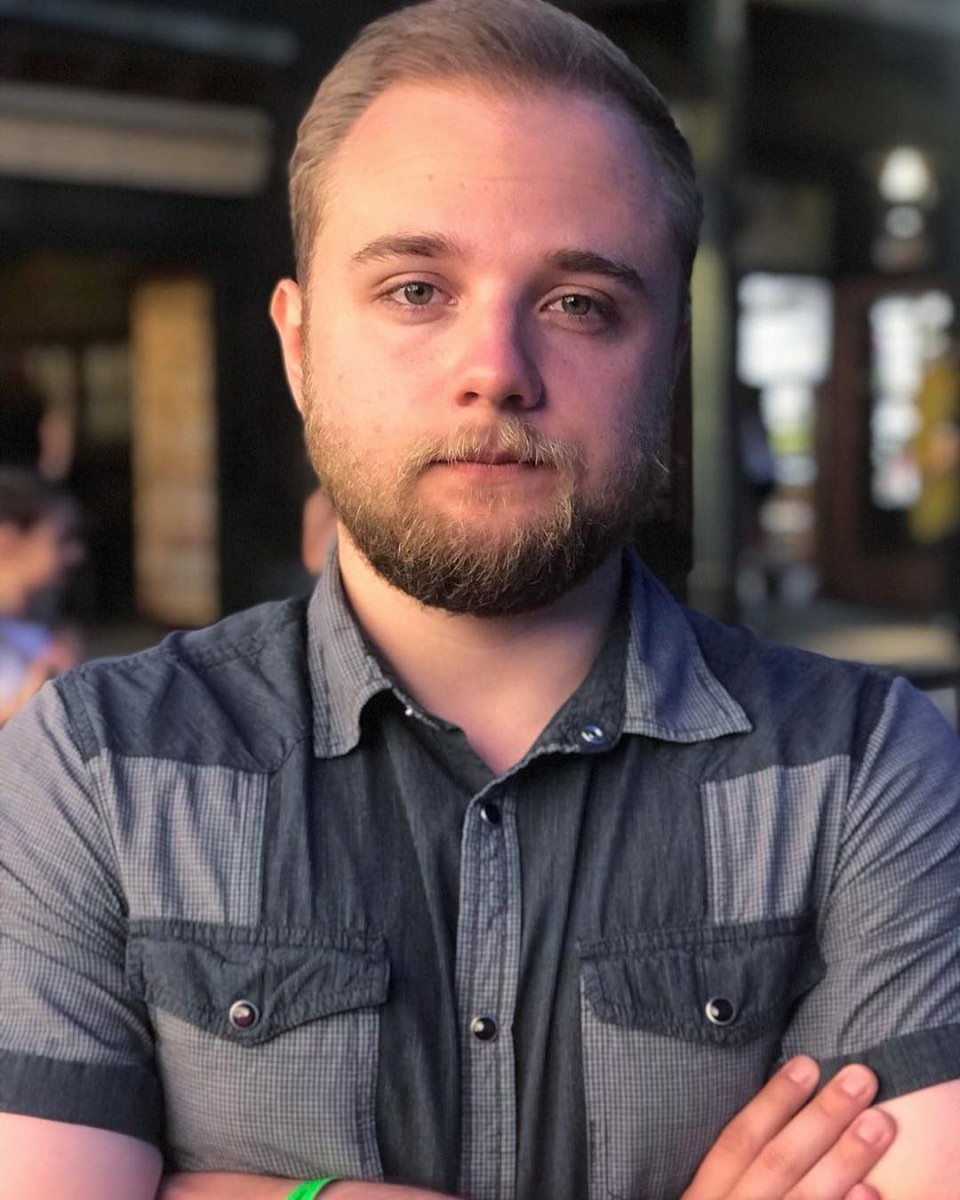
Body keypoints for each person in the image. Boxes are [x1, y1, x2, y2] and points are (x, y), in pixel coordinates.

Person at [2, 2, 960, 1198]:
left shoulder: (863, 769)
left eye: (579, 302)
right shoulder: (95, 768)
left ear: (668, 361)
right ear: (298, 347)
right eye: (416, 290)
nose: (496, 369)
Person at [0, 469, 83, 725]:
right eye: (62, 539)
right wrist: (37, 697)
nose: (77, 554)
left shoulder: (50, 626)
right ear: (6, 538)